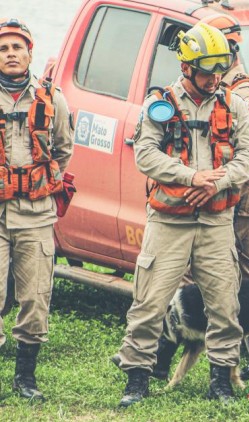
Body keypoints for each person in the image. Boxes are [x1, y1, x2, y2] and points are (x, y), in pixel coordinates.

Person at [114, 22, 249, 407]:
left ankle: (222, 380)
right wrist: (190, 176)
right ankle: (137, 379)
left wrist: (217, 181)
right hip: (169, 221)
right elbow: (146, 154)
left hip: (215, 222)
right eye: (207, 70)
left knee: (225, 306)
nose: (214, 78)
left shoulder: (234, 104)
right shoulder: (161, 103)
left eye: (219, 70)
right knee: (149, 303)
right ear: (186, 68)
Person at [151, 12, 249, 383]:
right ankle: (177, 357)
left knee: (219, 280)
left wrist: (212, 182)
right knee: (241, 275)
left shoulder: (241, 94)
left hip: (233, 198)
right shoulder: (217, 89)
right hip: (228, 195)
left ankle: (223, 359)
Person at [0, 17, 73, 401]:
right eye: (3, 48)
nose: (10, 54)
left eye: (17, 47)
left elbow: (63, 150)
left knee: (34, 297)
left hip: (35, 213)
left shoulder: (51, 98)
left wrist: (40, 181)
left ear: (29, 52)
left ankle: (25, 378)